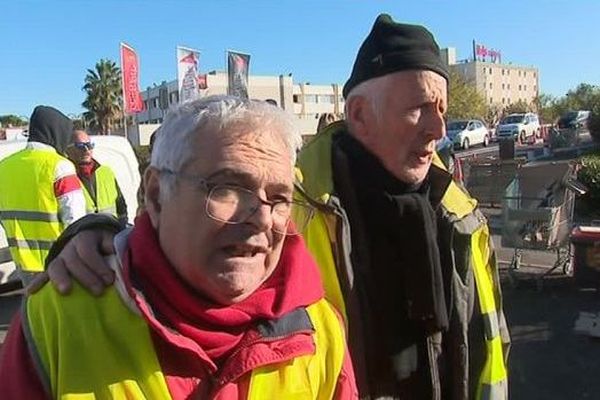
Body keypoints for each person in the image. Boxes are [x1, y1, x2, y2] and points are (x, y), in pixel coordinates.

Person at [31, 14, 510, 400]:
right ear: (360, 114)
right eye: (419, 108)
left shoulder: (460, 210)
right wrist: (95, 234)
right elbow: (176, 216)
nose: (439, 129)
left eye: (443, 109)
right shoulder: (297, 201)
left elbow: (490, 339)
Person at [0, 96, 357, 399]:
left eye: (279, 198)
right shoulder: (58, 321)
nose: (263, 219)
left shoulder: (322, 331)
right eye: (228, 188)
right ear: (156, 195)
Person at [0, 106, 86, 284]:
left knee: (34, 310)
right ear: (57, 132)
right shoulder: (60, 166)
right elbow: (76, 222)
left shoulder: (4, 167)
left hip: (23, 266)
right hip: (60, 264)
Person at [66, 129, 128, 225]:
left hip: (109, 232)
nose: (87, 150)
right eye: (81, 146)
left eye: (89, 145)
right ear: (69, 149)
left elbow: (120, 205)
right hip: (83, 236)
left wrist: (122, 227)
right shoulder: (65, 174)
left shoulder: (106, 172)